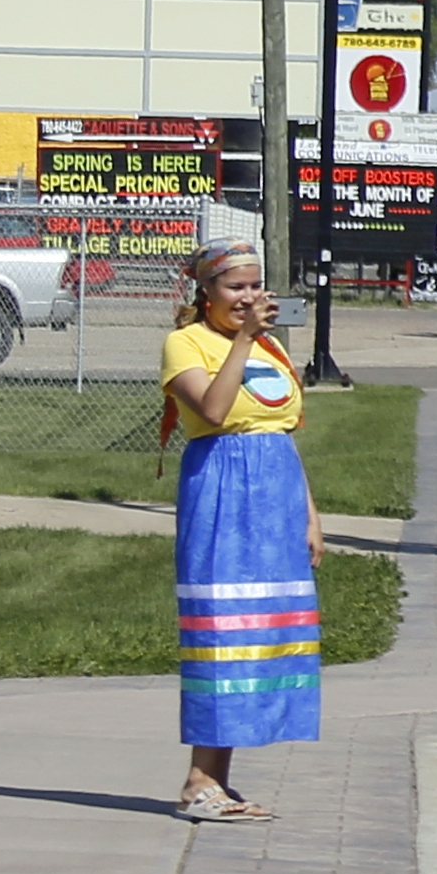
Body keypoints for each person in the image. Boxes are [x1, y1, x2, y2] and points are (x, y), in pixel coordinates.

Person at [160, 241, 325, 822]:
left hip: (275, 495)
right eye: (235, 288)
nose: (249, 297)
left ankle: (216, 782)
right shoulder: (187, 344)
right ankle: (197, 782)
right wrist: (242, 341)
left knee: (262, 636)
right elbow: (211, 411)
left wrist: (309, 515)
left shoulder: (271, 347)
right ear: (206, 292)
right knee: (224, 634)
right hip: (224, 495)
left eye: (255, 286)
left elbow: (281, 431)